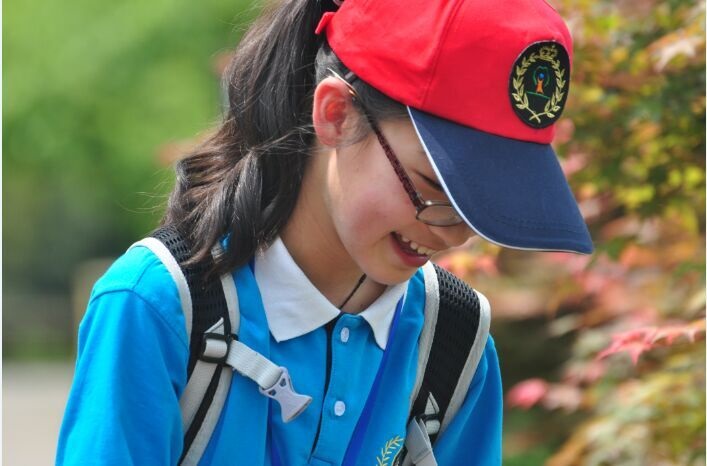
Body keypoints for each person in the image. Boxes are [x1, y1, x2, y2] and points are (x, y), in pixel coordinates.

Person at [56, 0, 593, 464]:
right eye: (433, 186)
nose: (452, 234)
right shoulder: (158, 307)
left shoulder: (453, 342)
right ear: (335, 114)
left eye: (481, 209)